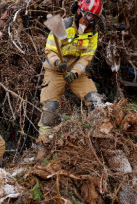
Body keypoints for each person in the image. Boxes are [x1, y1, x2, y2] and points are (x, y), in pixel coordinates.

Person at [37, 0, 104, 160]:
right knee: (50, 108)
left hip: (75, 71)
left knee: (95, 101)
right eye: (88, 16)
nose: (89, 21)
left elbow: (86, 58)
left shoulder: (92, 33)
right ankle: (42, 148)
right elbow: (50, 50)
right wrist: (56, 62)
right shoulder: (61, 26)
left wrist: (74, 73)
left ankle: (98, 143)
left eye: (94, 18)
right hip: (55, 70)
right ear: (79, 11)